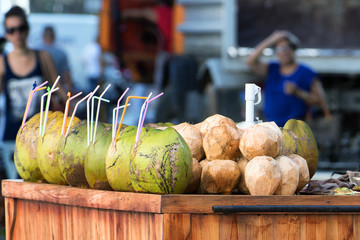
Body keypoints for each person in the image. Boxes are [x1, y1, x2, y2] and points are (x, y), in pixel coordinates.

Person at [0, 6, 67, 141]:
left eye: (21, 28)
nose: (17, 34)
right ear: (6, 34)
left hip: (43, 136)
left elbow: (58, 88)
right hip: (13, 137)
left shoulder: (43, 57)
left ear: (28, 29)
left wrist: (71, 114)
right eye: (11, 30)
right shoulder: (2, 62)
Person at [246, 30, 332, 127]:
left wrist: (298, 92)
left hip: (296, 129)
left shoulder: (306, 72)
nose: (284, 52)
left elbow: (320, 101)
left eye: (287, 48)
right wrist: (270, 40)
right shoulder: (272, 69)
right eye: (280, 49)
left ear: (293, 49)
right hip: (272, 127)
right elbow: (250, 61)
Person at [41, 25, 74, 93]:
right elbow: (66, 74)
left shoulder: (36, 51)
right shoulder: (61, 53)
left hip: (40, 89)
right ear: (54, 36)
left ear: (43, 36)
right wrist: (70, 90)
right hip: (57, 89)